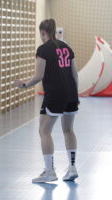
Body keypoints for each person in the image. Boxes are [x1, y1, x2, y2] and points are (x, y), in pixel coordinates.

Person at [14, 19, 79, 183]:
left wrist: (24, 85)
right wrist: (74, 95)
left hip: (55, 94)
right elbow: (75, 74)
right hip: (71, 93)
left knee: (44, 131)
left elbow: (39, 76)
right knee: (68, 130)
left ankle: (49, 171)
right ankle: (72, 168)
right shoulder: (67, 47)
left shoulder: (43, 49)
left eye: (40, 34)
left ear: (43, 32)